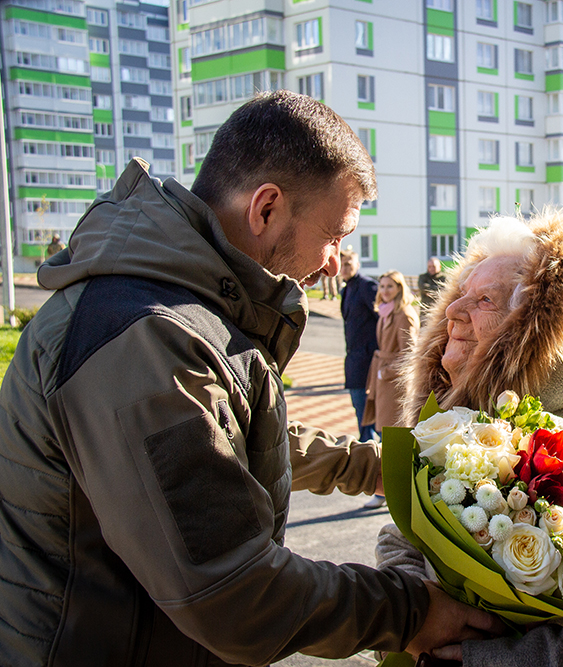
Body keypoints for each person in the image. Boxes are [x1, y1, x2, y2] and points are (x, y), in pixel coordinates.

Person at [0, 91, 501, 665]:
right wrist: (410, 611)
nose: (335, 262)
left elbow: (231, 437)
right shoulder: (142, 334)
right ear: (265, 208)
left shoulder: (192, 308)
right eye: (334, 235)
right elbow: (233, 591)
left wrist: (394, 469)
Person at [377, 207, 563, 666]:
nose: (452, 311)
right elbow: (401, 534)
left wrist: (498, 658)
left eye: (484, 302)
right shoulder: (454, 427)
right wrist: (413, 609)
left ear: (536, 336)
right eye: (460, 294)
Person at [360, 270, 420, 509]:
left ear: (399, 289)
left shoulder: (404, 314)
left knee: (394, 437)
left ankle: (388, 492)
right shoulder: (385, 312)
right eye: (382, 286)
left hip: (394, 384)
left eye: (390, 287)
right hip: (382, 377)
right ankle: (389, 490)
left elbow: (410, 353)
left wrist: (386, 372)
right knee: (386, 434)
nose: (384, 291)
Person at [340, 246, 379, 442]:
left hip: (368, 359)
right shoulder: (346, 289)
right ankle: (367, 447)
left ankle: (370, 450)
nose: (344, 268)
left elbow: (382, 317)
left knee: (369, 410)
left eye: (348, 264)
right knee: (359, 407)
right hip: (354, 358)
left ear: (357, 264)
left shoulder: (366, 286)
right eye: (342, 264)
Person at [417, 257, 446, 322]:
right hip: (425, 308)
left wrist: (430, 289)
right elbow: (423, 287)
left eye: (434, 266)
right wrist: (434, 289)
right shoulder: (423, 277)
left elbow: (442, 289)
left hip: (438, 309)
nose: (431, 269)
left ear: (440, 266)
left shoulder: (443, 278)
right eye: (429, 266)